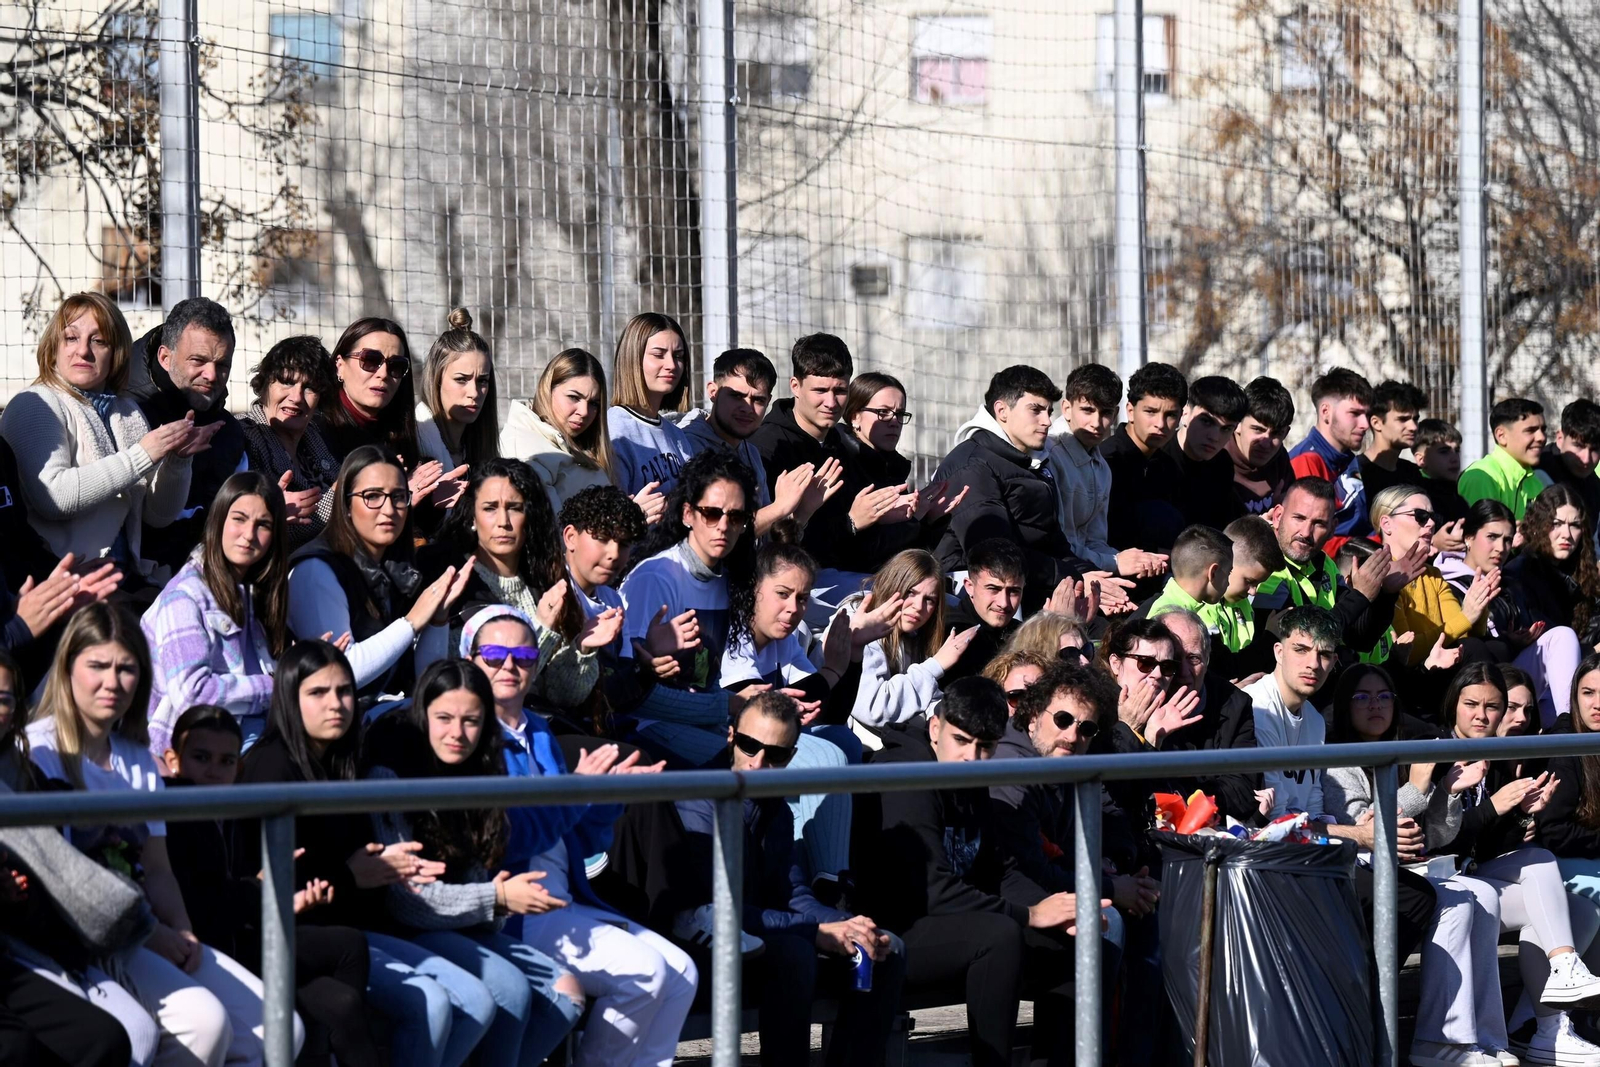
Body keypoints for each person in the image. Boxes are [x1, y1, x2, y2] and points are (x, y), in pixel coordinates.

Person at [25, 603, 294, 1067]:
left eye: (127, 668)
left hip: (147, 929)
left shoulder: (137, 758)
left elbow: (158, 869)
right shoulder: (39, 751)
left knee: (279, 1033)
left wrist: (184, 934)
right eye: (98, 666)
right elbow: (66, 887)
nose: (113, 682)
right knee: (204, 1026)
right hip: (87, 938)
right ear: (68, 669)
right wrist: (156, 938)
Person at [232, 640, 497, 1067]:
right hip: (289, 938)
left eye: (344, 692)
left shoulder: (341, 760)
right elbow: (266, 880)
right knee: (432, 1002)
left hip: (351, 930)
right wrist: (353, 875)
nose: (336, 704)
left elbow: (359, 869)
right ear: (288, 697)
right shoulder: (271, 768)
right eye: (318, 693)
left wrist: (396, 868)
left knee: (477, 1001)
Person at [459, 605, 698, 1067]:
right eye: (493, 654)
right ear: (470, 661)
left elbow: (585, 842)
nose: (510, 665)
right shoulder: (468, 737)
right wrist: (580, 795)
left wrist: (610, 797)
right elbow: (507, 842)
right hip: (514, 907)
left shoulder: (540, 730)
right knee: (644, 973)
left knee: (682, 973)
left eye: (524, 655)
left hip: (562, 899)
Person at [864, 677, 1112, 1067]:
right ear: (935, 728)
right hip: (896, 925)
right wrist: (1030, 914)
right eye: (960, 741)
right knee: (1000, 935)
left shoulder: (970, 774)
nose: (971, 757)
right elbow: (934, 890)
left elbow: (997, 870)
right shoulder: (904, 773)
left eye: (984, 747)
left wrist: (1056, 911)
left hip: (950, 920)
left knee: (1081, 943)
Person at [359, 662, 585, 1065]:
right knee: (508, 990)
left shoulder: (477, 772)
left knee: (565, 994)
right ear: (422, 714)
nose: (457, 734)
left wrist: (495, 901)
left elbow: (476, 882)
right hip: (399, 927)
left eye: (471, 721)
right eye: (443, 718)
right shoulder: (390, 771)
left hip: (452, 922)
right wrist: (494, 896)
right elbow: (407, 902)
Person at [669, 692, 908, 1067]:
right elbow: (716, 912)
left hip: (758, 935)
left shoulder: (774, 808)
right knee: (795, 954)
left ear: (791, 758)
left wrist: (843, 925)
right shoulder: (697, 801)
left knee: (882, 946)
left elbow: (793, 893)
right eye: (749, 746)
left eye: (775, 755)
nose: (759, 763)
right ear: (731, 737)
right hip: (703, 943)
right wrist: (813, 933)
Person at [159, 705, 384, 1067]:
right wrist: (259, 893)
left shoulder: (230, 808)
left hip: (243, 932)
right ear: (173, 759)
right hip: (207, 946)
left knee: (349, 949)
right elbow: (204, 909)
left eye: (226, 761)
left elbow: (243, 892)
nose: (214, 772)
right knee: (338, 1007)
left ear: (238, 768)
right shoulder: (173, 812)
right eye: (201, 758)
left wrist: (278, 901)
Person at [1411, 663, 1600, 1066]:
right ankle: (1541, 1010)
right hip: (1435, 882)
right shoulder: (1435, 751)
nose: (1482, 715)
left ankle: (1548, 1029)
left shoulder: (1493, 756)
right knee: (1537, 869)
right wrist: (1495, 807)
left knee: (1576, 904)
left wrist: (1522, 816)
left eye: (1493, 706)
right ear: (1453, 704)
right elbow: (1431, 842)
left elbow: (1491, 846)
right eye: (1472, 704)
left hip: (1475, 877)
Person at [989, 662, 1157, 1060]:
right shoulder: (1014, 771)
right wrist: (1114, 889)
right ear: (1032, 716)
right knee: (1103, 921)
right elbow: (1029, 871)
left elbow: (1094, 828)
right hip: (1000, 901)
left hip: (1035, 890)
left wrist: (1113, 869)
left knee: (1141, 914)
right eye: (1063, 720)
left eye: (1086, 728)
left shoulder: (1063, 765)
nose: (1072, 735)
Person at [0, 292, 209, 591]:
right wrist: (143, 454)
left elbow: (158, 516)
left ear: (116, 352)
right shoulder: (36, 403)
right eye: (71, 338)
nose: (83, 351)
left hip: (125, 579)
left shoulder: (126, 411)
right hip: (60, 583)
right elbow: (54, 497)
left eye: (98, 341)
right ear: (53, 348)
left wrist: (178, 461)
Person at [420, 459, 622, 712]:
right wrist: (542, 630)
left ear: (530, 517)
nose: (503, 521)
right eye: (490, 508)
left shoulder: (546, 580)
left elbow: (563, 697)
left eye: (514, 508)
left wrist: (583, 647)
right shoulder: (447, 577)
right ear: (473, 516)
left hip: (543, 725)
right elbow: (480, 684)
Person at [287, 446, 473, 700]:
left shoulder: (397, 569)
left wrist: (437, 620)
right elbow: (340, 672)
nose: (388, 509)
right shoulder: (315, 570)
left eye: (398, 496)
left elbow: (427, 683)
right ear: (346, 504)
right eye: (372, 496)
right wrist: (411, 622)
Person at [933, 365, 1107, 615]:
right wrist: (1071, 578)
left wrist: (1090, 577)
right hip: (978, 605)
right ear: (1002, 410)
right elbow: (995, 556)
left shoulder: (1031, 463)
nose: (1047, 421)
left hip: (1031, 587)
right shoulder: (973, 465)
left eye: (1048, 411)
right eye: (1035, 410)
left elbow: (1054, 544)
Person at [618, 450, 756, 759]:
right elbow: (635, 696)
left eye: (736, 517)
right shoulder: (655, 577)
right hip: (649, 726)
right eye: (711, 513)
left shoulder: (730, 579)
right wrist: (727, 705)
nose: (723, 525)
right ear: (687, 515)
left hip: (709, 720)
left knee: (829, 752)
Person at [142, 472, 289, 756]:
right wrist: (277, 685)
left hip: (250, 735)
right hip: (190, 754)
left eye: (263, 524)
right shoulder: (184, 596)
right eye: (239, 518)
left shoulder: (258, 593)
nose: (248, 535)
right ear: (219, 519)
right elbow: (192, 694)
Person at [1246, 476, 1413, 674]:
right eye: (1298, 518)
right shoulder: (1264, 567)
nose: (1306, 532)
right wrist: (1359, 596)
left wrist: (1385, 594)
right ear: (1278, 516)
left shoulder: (1323, 562)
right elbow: (1306, 641)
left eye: (1319, 524)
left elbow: (1359, 639)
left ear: (1333, 528)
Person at [129, 298, 247, 570]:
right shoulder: (123, 414)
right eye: (198, 360)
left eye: (223, 364)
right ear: (165, 357)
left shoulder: (229, 433)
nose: (211, 374)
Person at [680, 348, 841, 536]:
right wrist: (779, 507)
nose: (747, 408)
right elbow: (713, 534)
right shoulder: (685, 447)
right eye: (737, 396)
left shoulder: (751, 453)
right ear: (713, 392)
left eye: (757, 400)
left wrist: (801, 512)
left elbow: (762, 541)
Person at [823, 549, 972, 735]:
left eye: (929, 600)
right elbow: (874, 709)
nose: (918, 607)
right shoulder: (856, 621)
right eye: (910, 592)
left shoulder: (915, 634)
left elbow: (928, 699)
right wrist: (935, 665)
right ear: (892, 585)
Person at [1045, 362, 1167, 580]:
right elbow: (1057, 544)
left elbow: (1094, 540)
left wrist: (1133, 561)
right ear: (1066, 409)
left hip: (1085, 568)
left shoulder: (1101, 466)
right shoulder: (1049, 455)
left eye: (1106, 413)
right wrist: (1116, 562)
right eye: (1087, 410)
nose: (1097, 423)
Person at [1148, 606, 1268, 824]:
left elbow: (1244, 788)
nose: (1183, 672)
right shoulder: (1141, 701)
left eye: (1193, 659)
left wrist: (1188, 799)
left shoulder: (1235, 703)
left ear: (1208, 658)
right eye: (1174, 659)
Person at [1501, 484, 1599, 726]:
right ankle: (1569, 725)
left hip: (1574, 682)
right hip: (1521, 679)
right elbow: (1543, 636)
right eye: (1556, 524)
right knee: (1563, 637)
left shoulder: (1584, 574)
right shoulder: (1520, 570)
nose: (1566, 534)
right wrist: (1592, 652)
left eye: (1574, 525)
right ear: (1538, 526)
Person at [1370, 484, 1496, 667]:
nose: (1431, 524)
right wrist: (1467, 617)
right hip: (1407, 676)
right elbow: (1407, 650)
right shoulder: (1381, 574)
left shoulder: (1433, 574)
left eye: (1432, 517)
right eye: (1420, 516)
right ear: (1387, 524)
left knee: (1493, 647)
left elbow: (1462, 634)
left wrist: (1479, 606)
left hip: (1439, 668)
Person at [501, 349, 631, 516]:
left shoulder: (575, 442)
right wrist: (622, 519)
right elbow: (553, 533)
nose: (584, 411)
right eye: (573, 397)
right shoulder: (525, 450)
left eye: (594, 403)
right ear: (548, 390)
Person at [238, 336, 340, 546]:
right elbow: (283, 532)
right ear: (265, 384)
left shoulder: (314, 434)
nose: (296, 397)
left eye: (309, 387)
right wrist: (342, 496)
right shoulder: (244, 437)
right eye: (287, 382)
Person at [1243, 605, 1339, 817]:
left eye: (1324, 654)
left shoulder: (1315, 719)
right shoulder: (1257, 707)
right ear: (1279, 652)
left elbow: (1314, 803)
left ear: (1333, 663)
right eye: (1301, 650)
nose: (1313, 664)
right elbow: (1276, 815)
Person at [1101, 361, 1187, 553]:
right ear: (1130, 411)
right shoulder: (1107, 461)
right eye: (1150, 411)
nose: (1160, 424)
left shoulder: (1168, 468)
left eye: (1170, 415)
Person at [607, 312, 694, 500]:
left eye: (678, 356)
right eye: (658, 355)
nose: (671, 364)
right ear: (633, 358)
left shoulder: (676, 435)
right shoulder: (615, 431)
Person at [1353, 380, 1440, 542]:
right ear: (1376, 423)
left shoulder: (1412, 473)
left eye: (1415, 419)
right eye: (1403, 419)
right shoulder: (1356, 473)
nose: (1413, 427)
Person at [415, 308, 500, 474]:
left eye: (482, 381)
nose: (474, 393)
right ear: (436, 380)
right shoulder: (412, 444)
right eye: (461, 379)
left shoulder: (479, 449)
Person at [1168, 374, 1248, 531]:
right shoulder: (1157, 460)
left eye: (1226, 429)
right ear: (1185, 414)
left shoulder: (1222, 464)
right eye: (1206, 421)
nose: (1215, 437)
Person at [942, 538, 1026, 682]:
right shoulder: (950, 631)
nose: (1003, 603)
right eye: (993, 589)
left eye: (1013, 591)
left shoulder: (1022, 633)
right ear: (969, 586)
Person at [1459, 398, 1552, 521]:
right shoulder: (1481, 477)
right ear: (1501, 436)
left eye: (1543, 430)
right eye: (1530, 430)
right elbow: (1479, 535)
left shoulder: (1535, 481)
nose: (1541, 437)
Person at [1226, 376, 1297, 516]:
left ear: (1286, 433)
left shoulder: (1280, 459)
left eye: (1276, 433)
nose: (1265, 443)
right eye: (1258, 429)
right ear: (1237, 424)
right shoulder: (1216, 458)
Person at [1537, 399, 1600, 538]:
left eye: (1594, 450)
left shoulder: (1594, 486)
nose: (1586, 459)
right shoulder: (1537, 474)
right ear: (1560, 438)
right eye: (1578, 446)